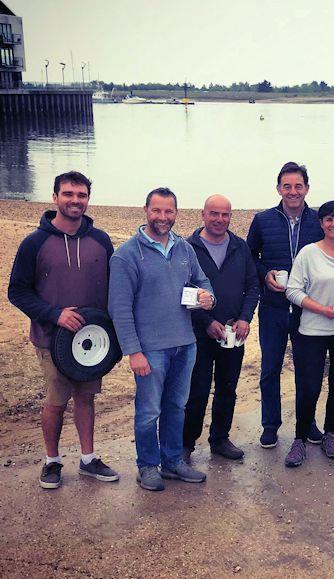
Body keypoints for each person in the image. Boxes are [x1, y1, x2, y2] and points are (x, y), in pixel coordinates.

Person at [8, 171, 118, 489]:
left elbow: (114, 288)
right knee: (56, 399)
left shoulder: (100, 240)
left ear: (88, 199)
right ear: (55, 197)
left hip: (93, 340)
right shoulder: (35, 242)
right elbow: (17, 291)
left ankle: (88, 459)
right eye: (68, 194)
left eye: (81, 195)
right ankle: (52, 461)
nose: (75, 200)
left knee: (86, 398)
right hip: (51, 338)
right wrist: (54, 315)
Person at [109, 187, 215, 492]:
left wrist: (209, 298)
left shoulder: (185, 249)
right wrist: (134, 352)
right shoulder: (127, 255)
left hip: (185, 344)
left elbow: (202, 282)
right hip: (150, 350)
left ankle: (172, 462)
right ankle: (147, 466)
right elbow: (119, 308)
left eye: (169, 211)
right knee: (148, 412)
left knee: (176, 406)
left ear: (176, 214)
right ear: (145, 211)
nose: (163, 217)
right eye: (157, 211)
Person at [247, 162, 324, 449]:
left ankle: (309, 422)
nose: (293, 191)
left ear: (307, 188)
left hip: (307, 308)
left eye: (298, 186)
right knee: (270, 368)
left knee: (309, 370)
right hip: (273, 307)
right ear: (278, 188)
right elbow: (249, 255)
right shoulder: (263, 219)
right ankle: (270, 425)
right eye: (287, 186)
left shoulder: (319, 220)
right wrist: (263, 273)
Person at [182, 195, 260, 462]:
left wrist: (245, 319)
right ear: (203, 214)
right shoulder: (187, 247)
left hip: (233, 332)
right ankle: (186, 444)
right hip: (197, 332)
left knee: (227, 388)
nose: (219, 219)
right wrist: (206, 322)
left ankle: (220, 439)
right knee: (197, 390)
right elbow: (183, 291)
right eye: (214, 214)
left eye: (225, 215)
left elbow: (252, 286)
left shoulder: (240, 247)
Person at [284, 201, 334, 467]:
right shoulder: (308, 254)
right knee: (309, 386)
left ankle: (330, 434)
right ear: (321, 223)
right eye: (328, 219)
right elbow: (292, 291)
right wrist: (322, 310)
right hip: (312, 330)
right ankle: (299, 439)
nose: (333, 224)